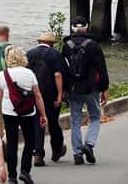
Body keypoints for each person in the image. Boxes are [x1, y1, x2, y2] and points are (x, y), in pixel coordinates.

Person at [0, 46, 47, 184]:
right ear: (22, 58)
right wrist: (43, 114)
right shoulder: (29, 73)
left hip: (9, 112)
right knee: (29, 141)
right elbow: (38, 95)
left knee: (12, 142)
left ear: (8, 59)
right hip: (28, 112)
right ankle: (25, 171)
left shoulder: (2, 75)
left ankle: (12, 176)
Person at [62, 18, 111, 165]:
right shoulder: (94, 45)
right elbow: (102, 68)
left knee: (75, 120)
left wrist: (64, 89)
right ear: (87, 27)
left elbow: (63, 69)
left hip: (73, 89)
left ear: (72, 28)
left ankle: (77, 154)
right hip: (91, 88)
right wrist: (105, 88)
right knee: (95, 117)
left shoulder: (66, 46)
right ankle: (89, 144)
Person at [27, 32, 67, 165]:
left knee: (38, 122)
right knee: (53, 122)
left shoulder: (29, 54)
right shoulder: (55, 55)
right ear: (52, 43)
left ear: (39, 42)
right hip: (51, 94)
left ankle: (38, 153)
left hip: (34, 94)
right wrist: (60, 95)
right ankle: (57, 149)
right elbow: (58, 75)